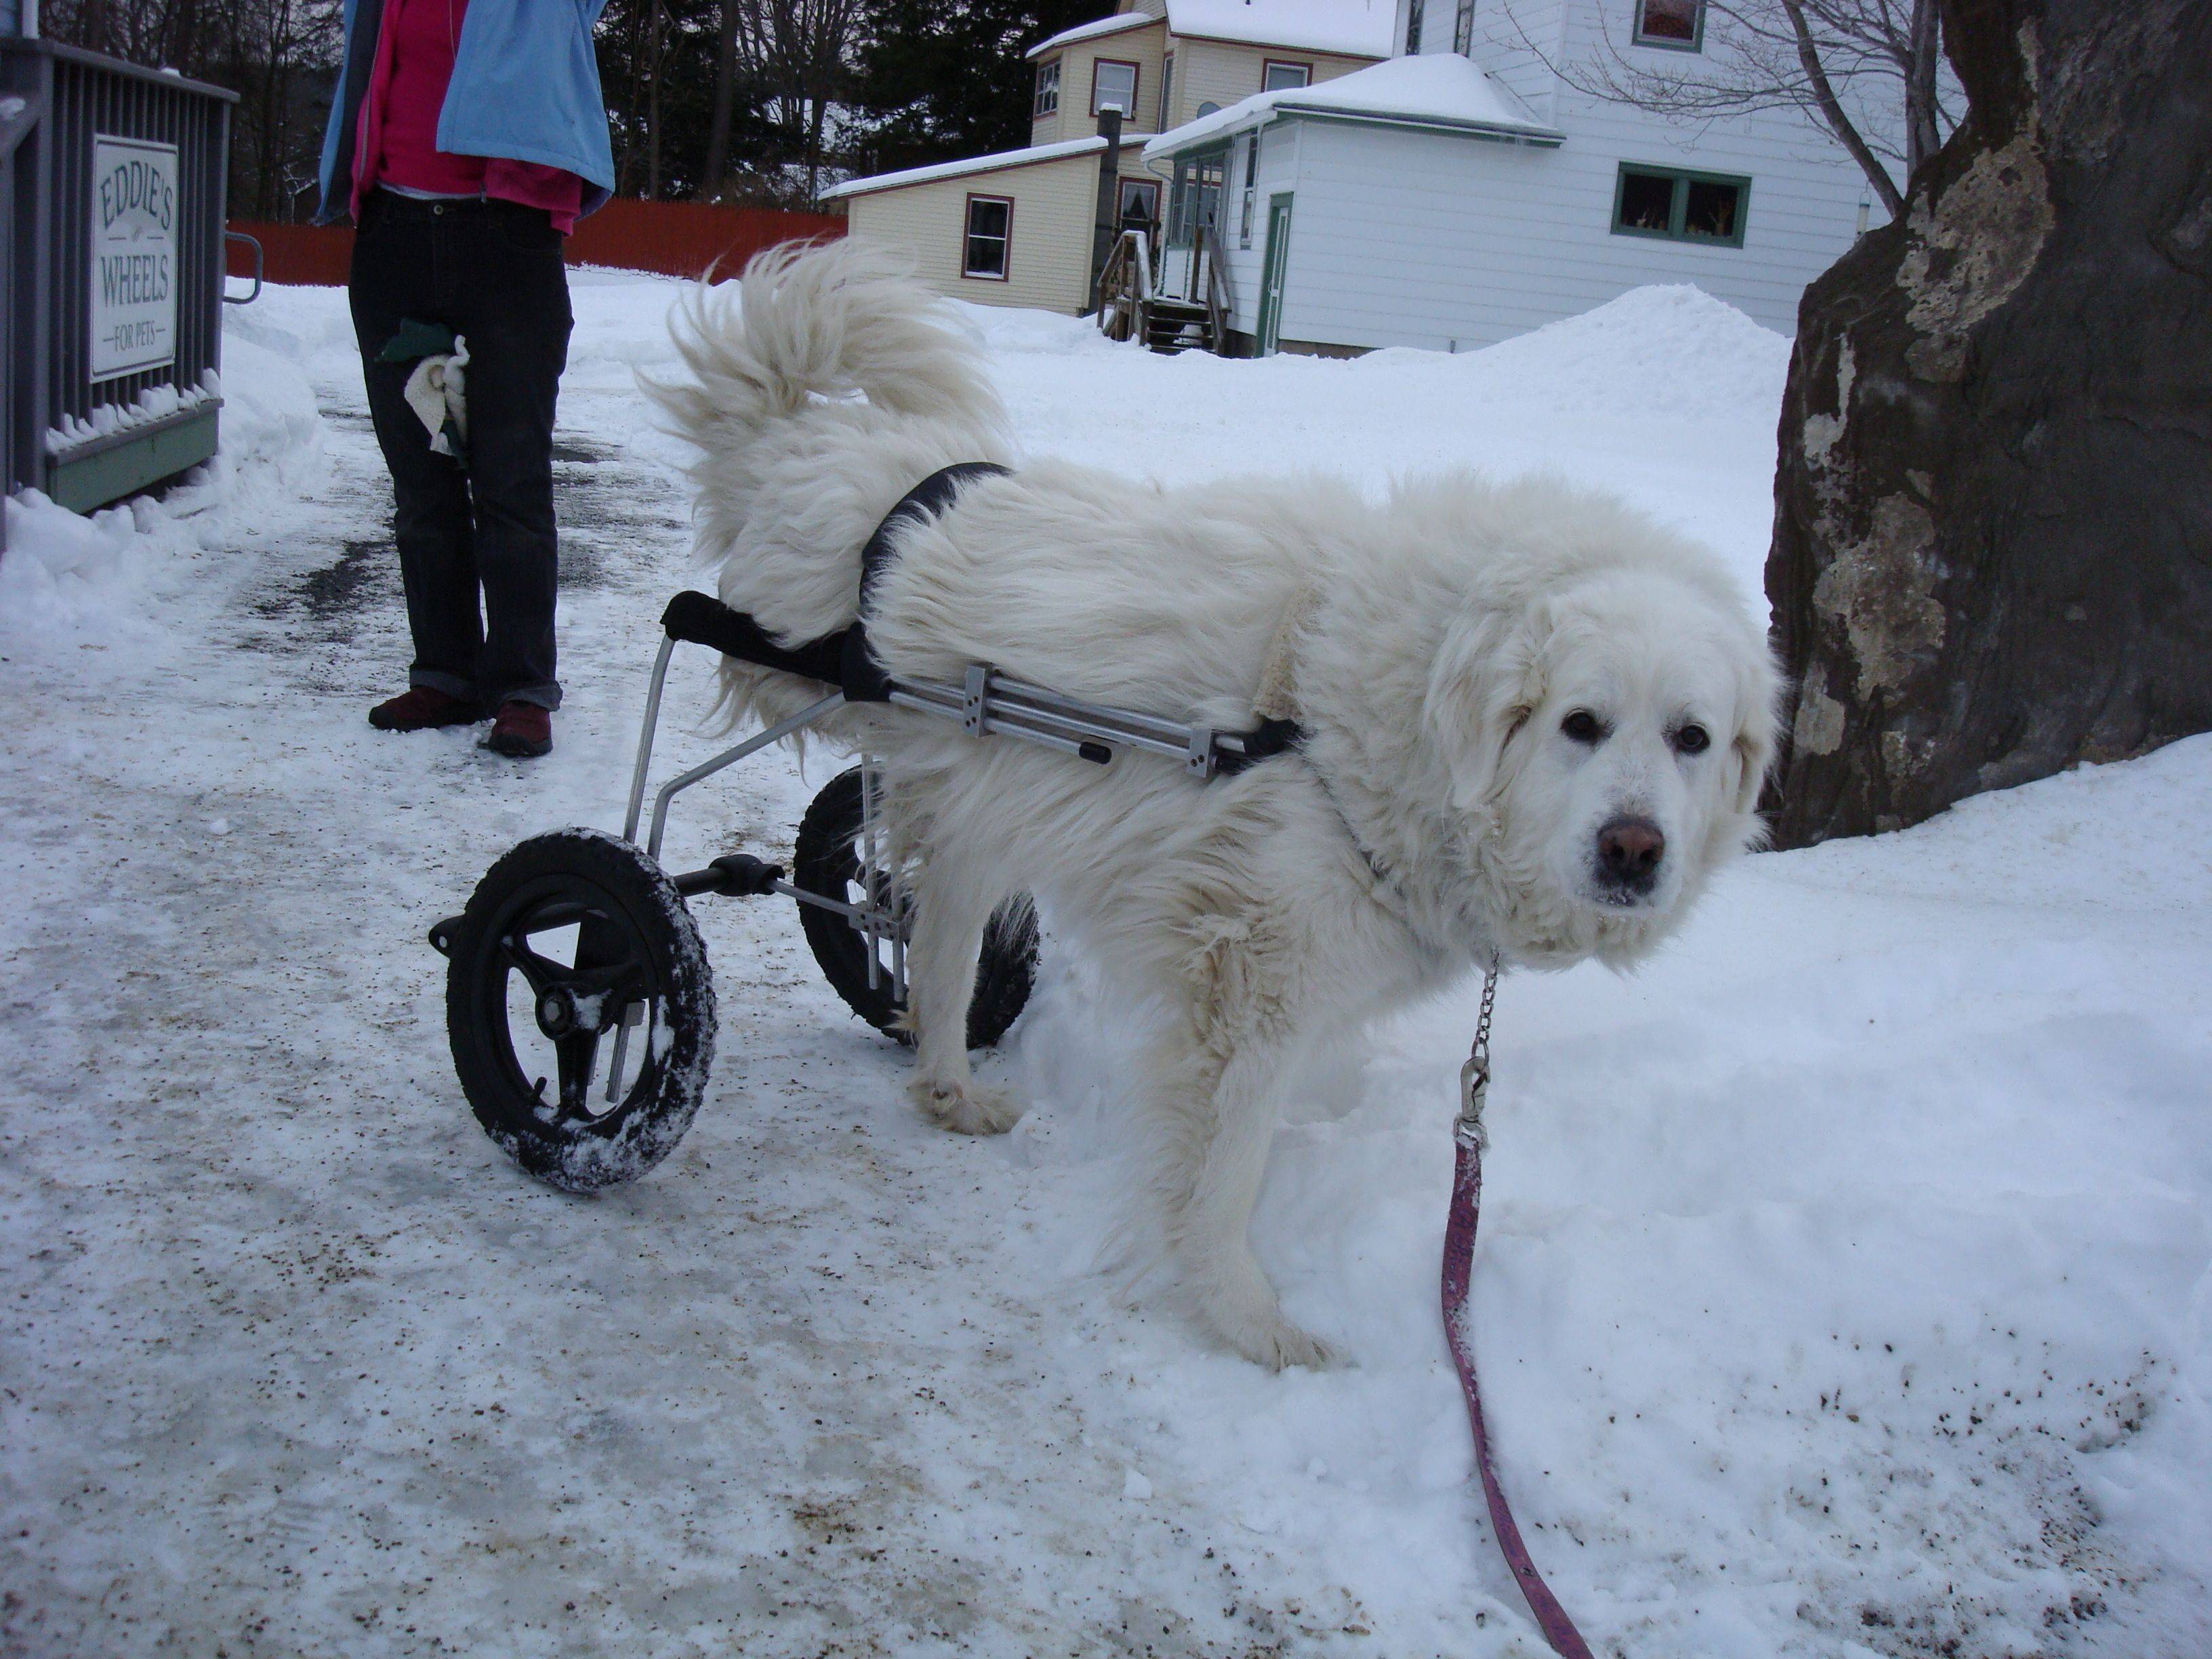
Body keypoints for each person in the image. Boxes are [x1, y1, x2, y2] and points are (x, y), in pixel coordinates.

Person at [314, 0, 615, 758]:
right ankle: (445, 674)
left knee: (511, 477)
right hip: (395, 239)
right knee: (422, 478)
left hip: (508, 239)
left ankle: (520, 688)